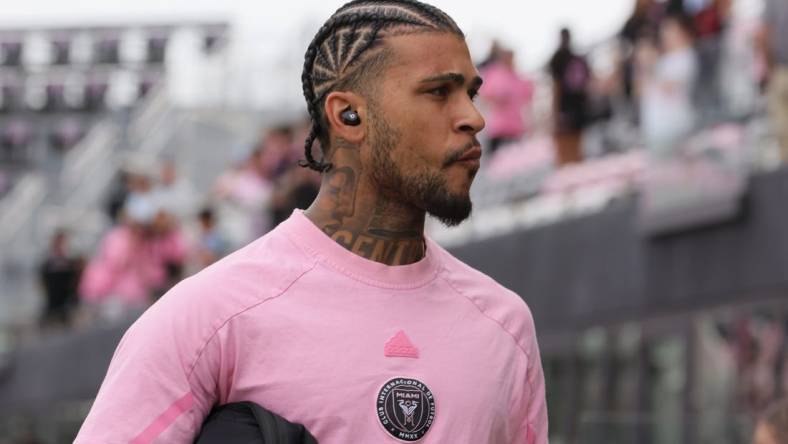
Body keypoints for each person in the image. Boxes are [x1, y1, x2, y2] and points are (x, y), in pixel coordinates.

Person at [75, 1, 548, 443]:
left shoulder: (505, 325)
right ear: (347, 114)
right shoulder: (208, 318)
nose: (473, 118)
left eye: (470, 93)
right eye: (438, 92)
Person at [637, 15, 698, 160]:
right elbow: (640, 90)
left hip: (675, 127)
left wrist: (650, 65)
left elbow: (669, 87)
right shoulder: (662, 60)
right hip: (655, 129)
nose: (666, 34)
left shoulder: (686, 55)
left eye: (670, 30)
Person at [549, 27, 591, 166]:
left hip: (565, 111)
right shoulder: (579, 58)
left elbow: (557, 87)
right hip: (581, 109)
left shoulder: (558, 58)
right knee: (578, 151)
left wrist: (554, 114)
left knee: (566, 154)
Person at [479, 48, 534, 153]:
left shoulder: (519, 77)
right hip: (498, 129)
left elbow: (528, 99)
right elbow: (484, 94)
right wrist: (497, 98)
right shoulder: (494, 74)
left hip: (516, 128)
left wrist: (530, 125)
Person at [759, 0, 788, 163]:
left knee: (784, 133)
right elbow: (764, 35)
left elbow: (764, 34)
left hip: (780, 71)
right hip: (781, 70)